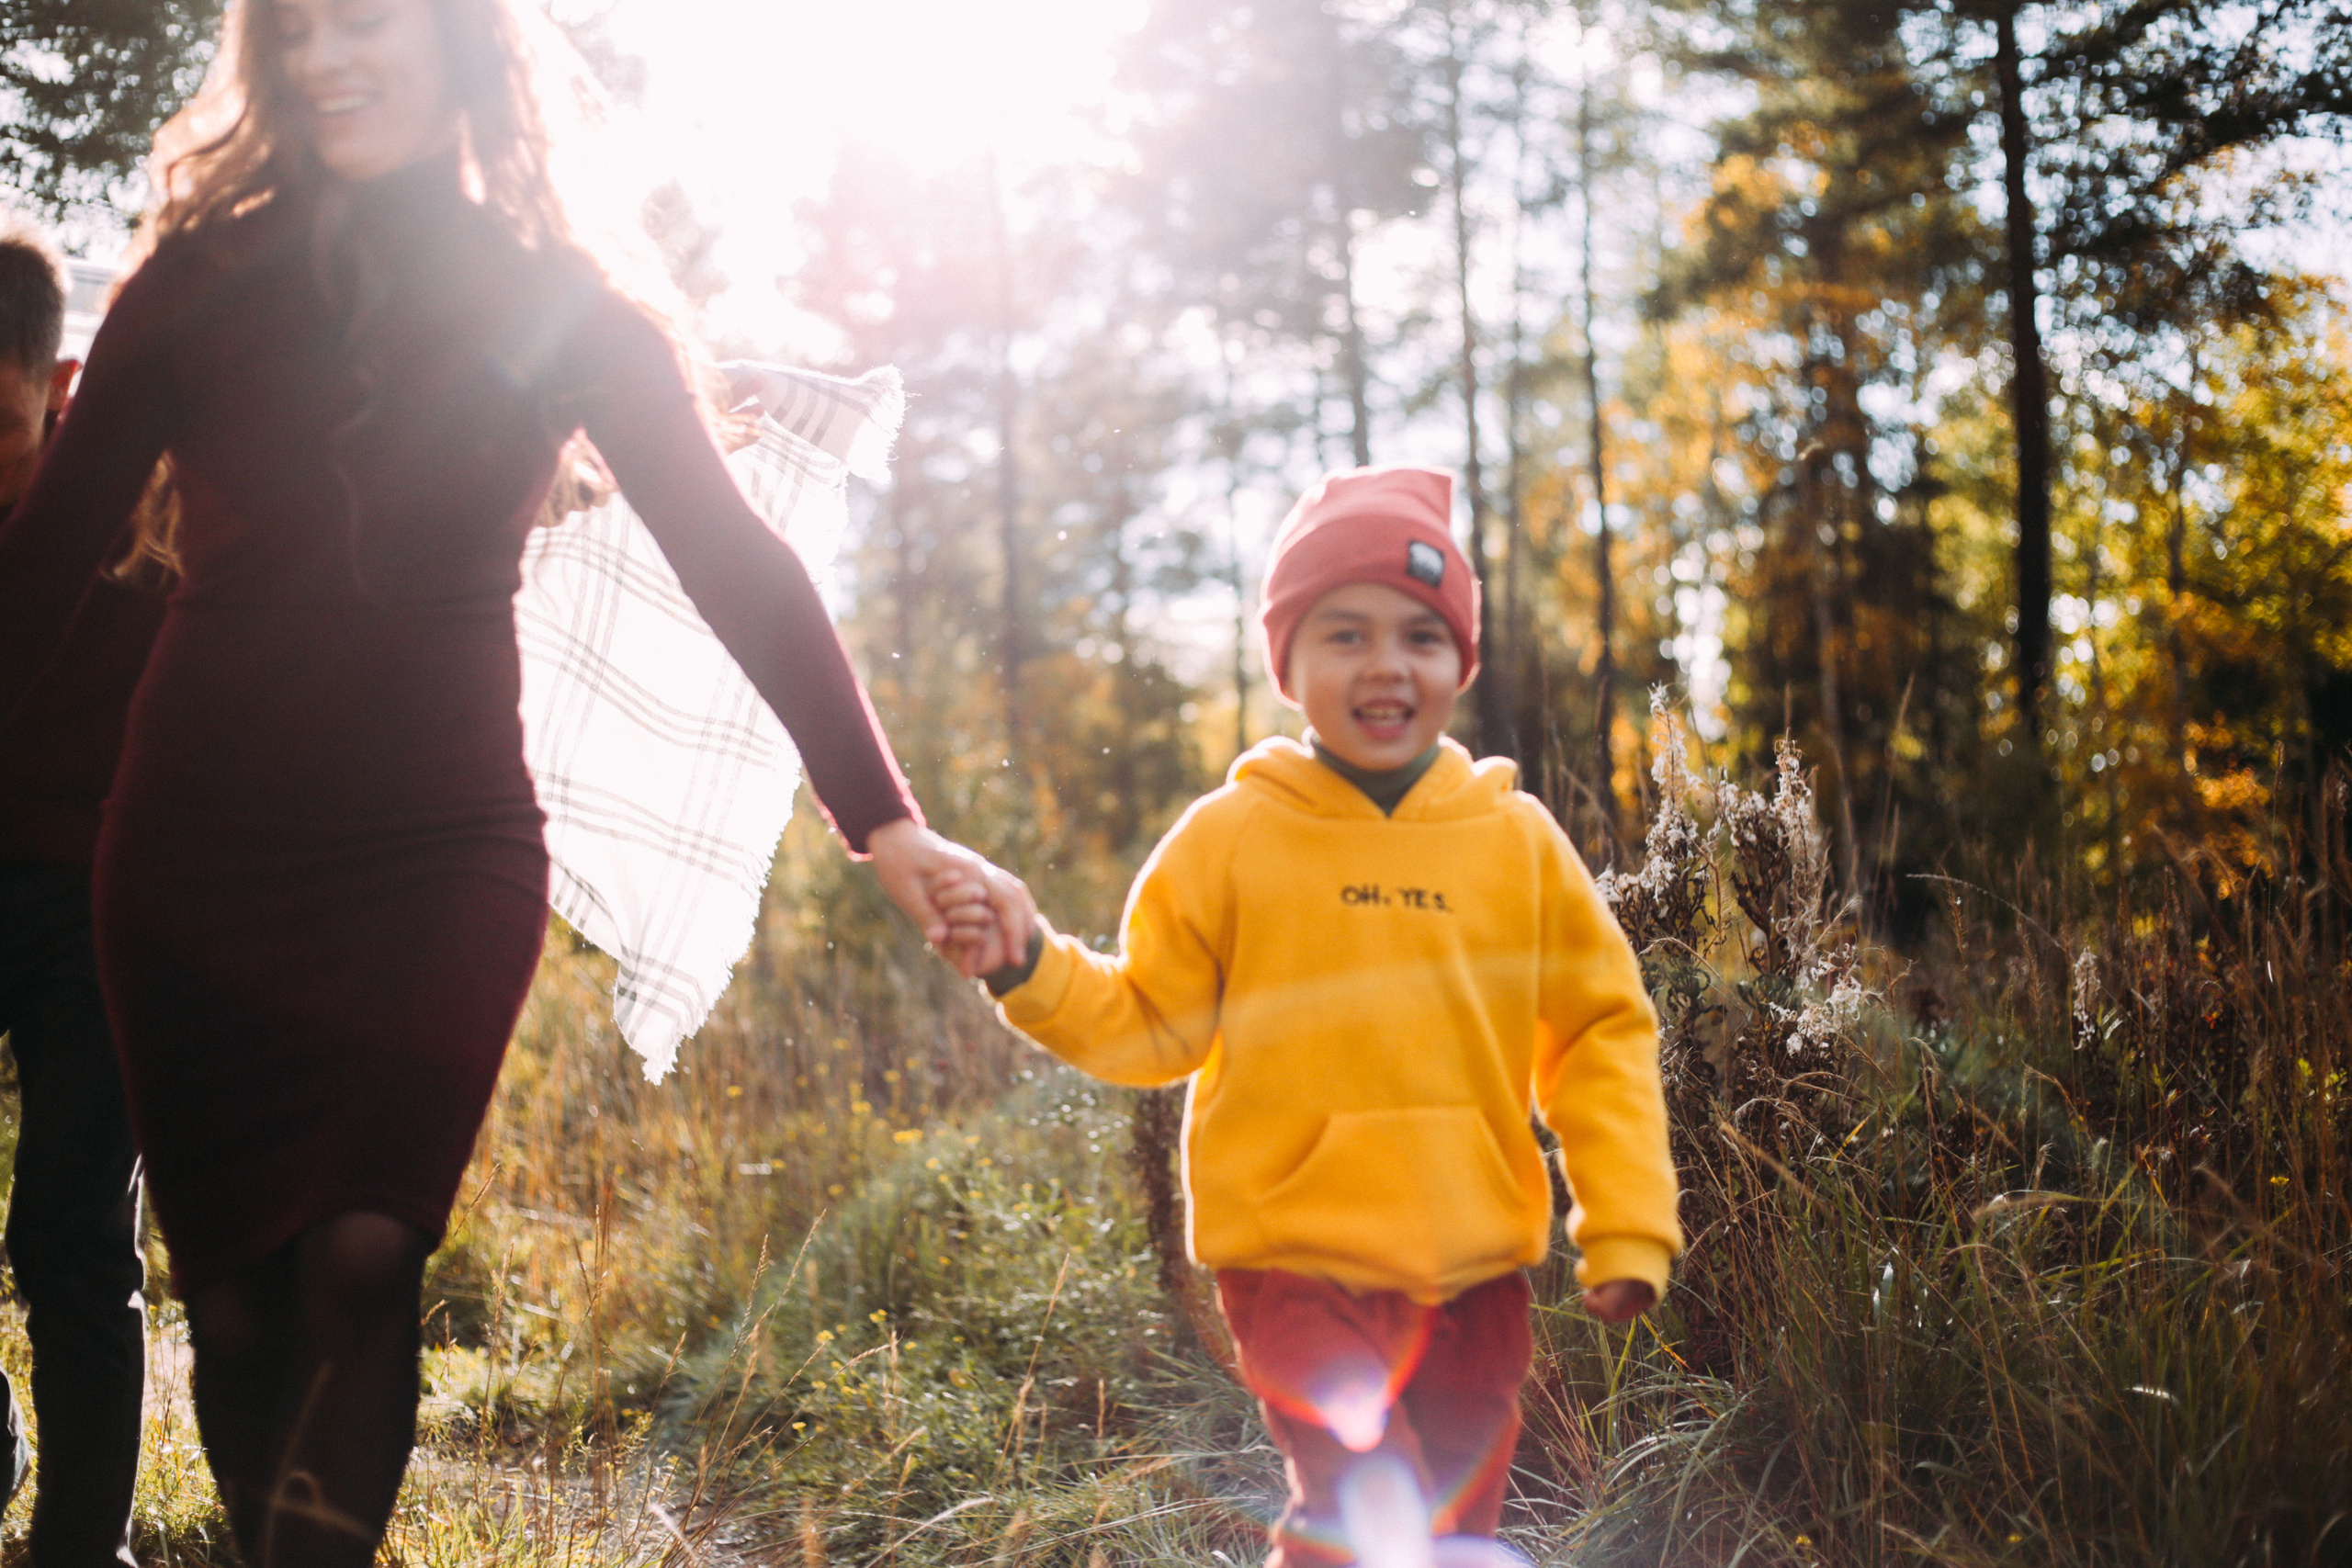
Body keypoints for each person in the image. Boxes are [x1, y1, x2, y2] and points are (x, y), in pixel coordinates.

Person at [0, 0, 1024, 1562]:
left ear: (462, 40)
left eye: (365, 23)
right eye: (298, 32)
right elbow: (36, 582)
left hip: (438, 853)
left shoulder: (563, 301)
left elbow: (735, 559)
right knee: (243, 1301)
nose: (329, 56)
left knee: (359, 1253)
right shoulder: (192, 288)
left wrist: (882, 818)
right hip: (191, 859)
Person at [980, 467, 1681, 1567]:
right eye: (1344, 634)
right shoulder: (1228, 839)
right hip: (1291, 1257)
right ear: (1288, 663)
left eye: (1420, 635)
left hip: (1477, 1270)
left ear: (1461, 661)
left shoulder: (1518, 843)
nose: (1386, 665)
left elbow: (1599, 1034)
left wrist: (1627, 1217)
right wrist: (1029, 965)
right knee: (1367, 1503)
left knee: (1450, 1527)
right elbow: (1149, 1022)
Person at [0, 222, 153, 1568]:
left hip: (99, 896)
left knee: (71, 1232)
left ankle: (78, 1544)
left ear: (54, 385)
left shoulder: (151, 500)